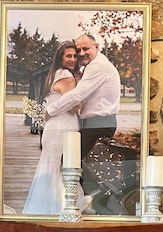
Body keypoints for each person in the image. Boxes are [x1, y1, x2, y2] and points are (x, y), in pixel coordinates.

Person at [22, 42, 82, 215]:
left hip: (53, 128)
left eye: (74, 56)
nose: (72, 59)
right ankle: (61, 211)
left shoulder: (54, 75)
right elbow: (74, 106)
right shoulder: (66, 76)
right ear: (60, 58)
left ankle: (48, 210)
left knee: (52, 170)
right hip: (63, 129)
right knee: (64, 170)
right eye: (68, 56)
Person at [43, 33, 121, 163]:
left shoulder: (98, 66)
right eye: (78, 50)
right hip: (94, 124)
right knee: (73, 164)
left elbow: (77, 95)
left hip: (98, 125)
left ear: (96, 47)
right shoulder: (92, 66)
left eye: (86, 48)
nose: (81, 53)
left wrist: (50, 110)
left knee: (68, 162)